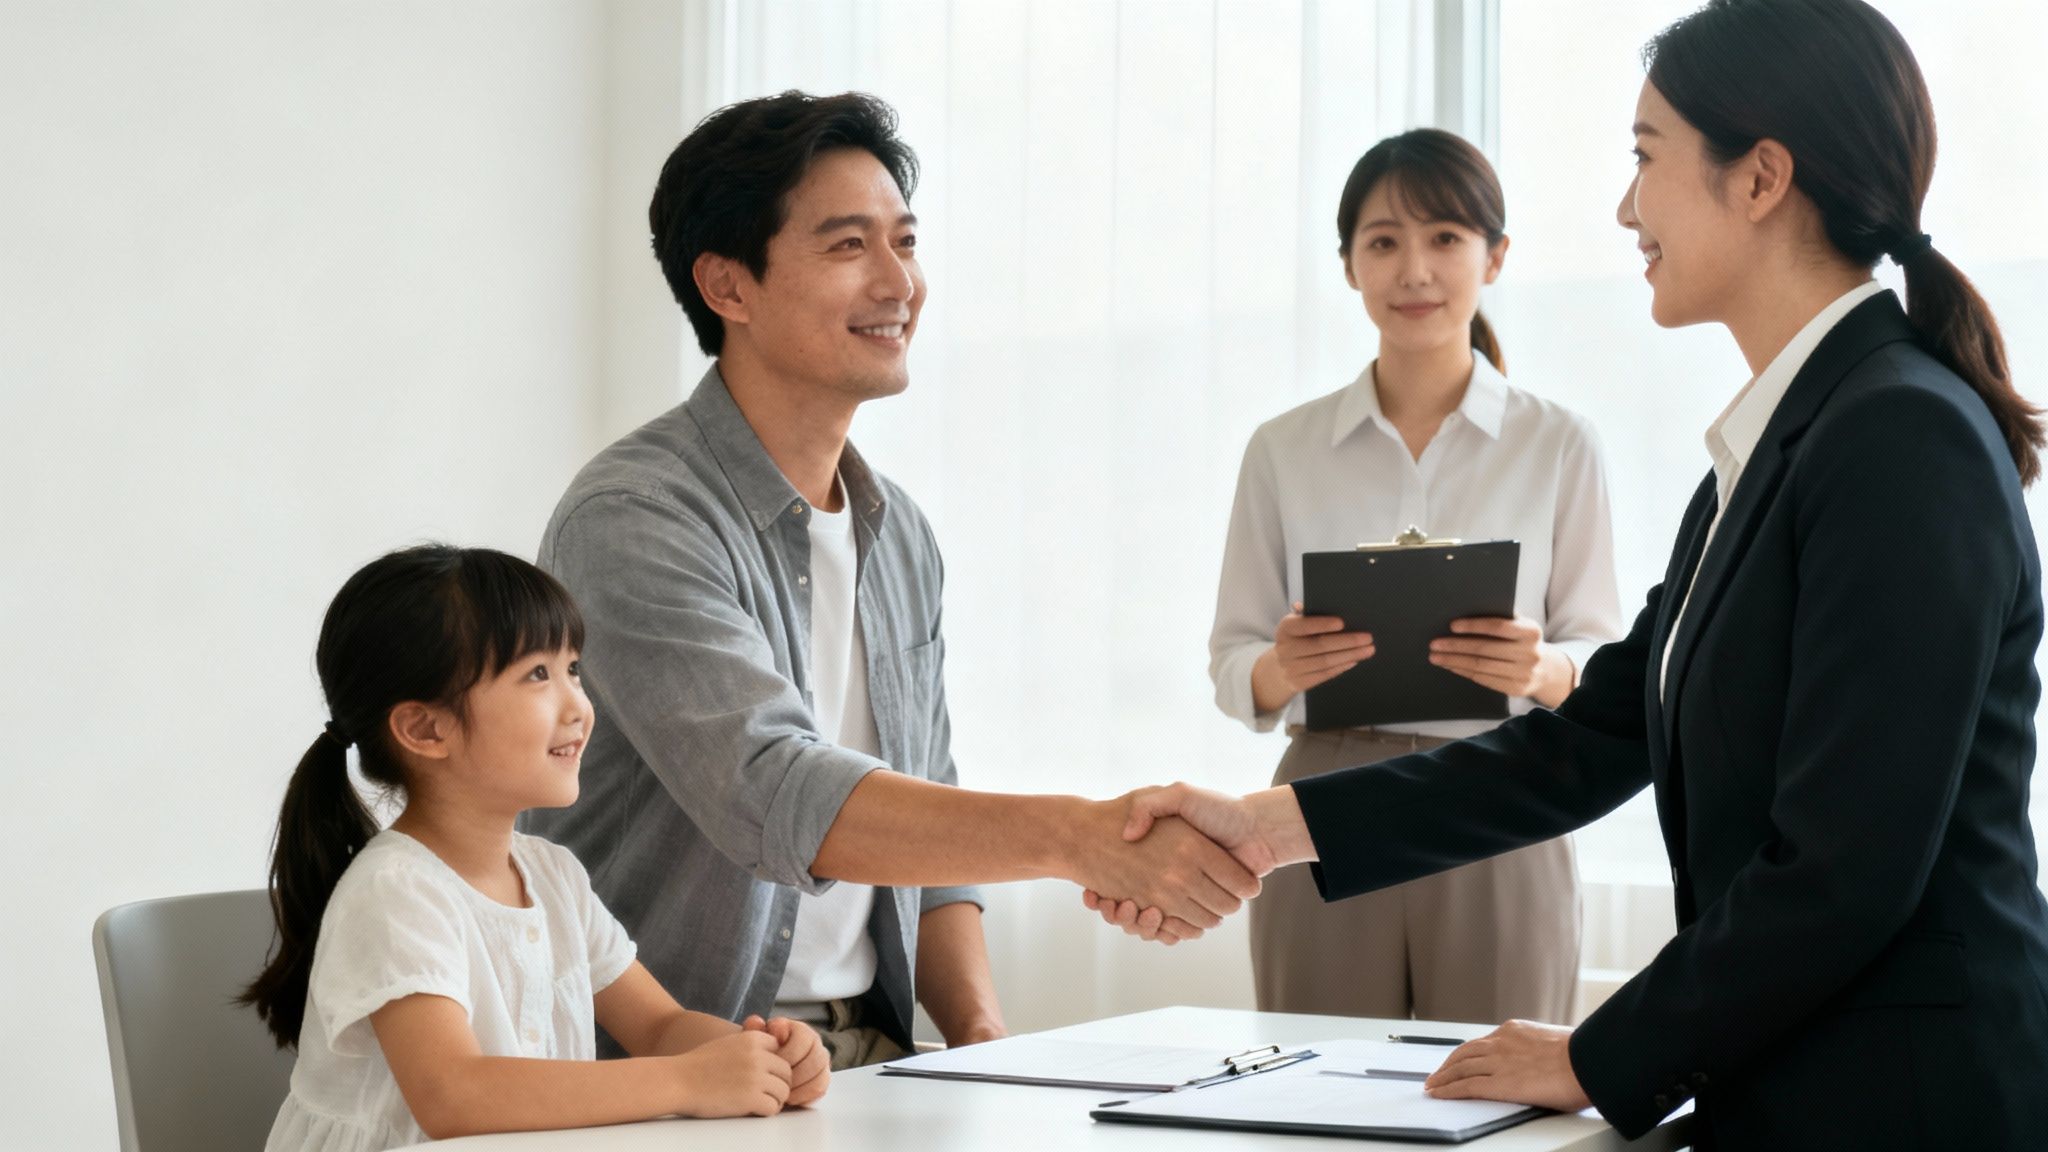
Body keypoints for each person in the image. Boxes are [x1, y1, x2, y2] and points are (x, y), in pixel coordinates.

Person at [1092, 1, 2048, 1146]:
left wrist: (1601, 1054)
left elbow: (1845, 866)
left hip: (1905, 1103)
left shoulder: (1896, 436)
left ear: (1759, 179)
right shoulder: (1770, 450)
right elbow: (1585, 740)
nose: (1623, 208)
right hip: (1801, 1084)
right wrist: (1264, 824)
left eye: (1644, 159)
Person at [523, 90, 1257, 1069]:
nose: (897, 282)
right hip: (659, 1073)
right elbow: (772, 791)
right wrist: (1078, 836)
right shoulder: (633, 518)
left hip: (865, 1059)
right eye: (846, 246)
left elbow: (928, 814)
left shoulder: (896, 531)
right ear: (727, 287)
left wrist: (981, 1043)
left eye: (904, 242)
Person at [1207, 128, 1621, 1020]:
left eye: (1445, 239)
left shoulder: (1558, 442)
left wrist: (1543, 668)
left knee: (1498, 1097)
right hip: (1320, 798)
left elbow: (1602, 649)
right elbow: (1235, 661)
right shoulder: (1283, 449)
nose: (1414, 271)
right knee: (1320, 1097)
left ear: (1495, 257)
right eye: (1383, 242)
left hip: (1503, 788)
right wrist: (1286, 667)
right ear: (1350, 265)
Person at [241, 545, 829, 1151]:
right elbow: (453, 1095)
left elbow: (659, 1026)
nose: (579, 703)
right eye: (537, 675)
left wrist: (757, 1057)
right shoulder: (395, 891)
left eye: (572, 668)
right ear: (425, 729)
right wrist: (684, 1082)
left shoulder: (553, 875)